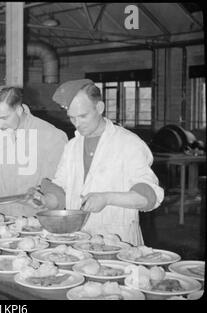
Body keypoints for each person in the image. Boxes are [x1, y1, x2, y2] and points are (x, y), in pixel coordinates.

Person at [28, 79, 164, 246]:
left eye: (83, 116)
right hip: (79, 239)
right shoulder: (72, 147)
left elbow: (149, 198)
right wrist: (44, 200)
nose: (77, 124)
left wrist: (107, 198)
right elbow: (61, 193)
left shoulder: (129, 144)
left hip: (118, 242)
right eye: (72, 118)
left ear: (99, 108)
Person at [0, 86, 68, 217]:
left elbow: (59, 184)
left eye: (4, 117)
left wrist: (43, 198)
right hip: (4, 219)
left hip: (38, 220)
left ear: (19, 110)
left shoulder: (52, 135)